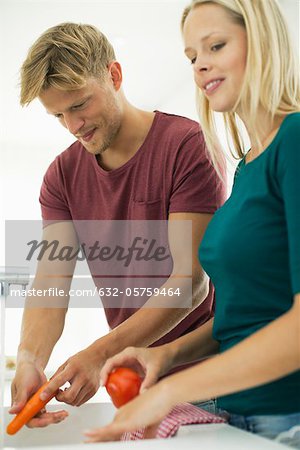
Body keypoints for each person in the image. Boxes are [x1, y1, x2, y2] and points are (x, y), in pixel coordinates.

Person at [84, 0, 300, 446]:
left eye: (215, 46)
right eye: (192, 57)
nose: (201, 66)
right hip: (238, 415)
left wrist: (174, 392)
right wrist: (164, 356)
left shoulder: (294, 143)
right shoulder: (247, 166)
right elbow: (240, 320)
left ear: (264, 42)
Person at [9, 23, 226, 427]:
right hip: (133, 389)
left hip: (208, 384)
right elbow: (51, 284)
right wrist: (28, 359)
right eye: (58, 115)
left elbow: (190, 283)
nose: (73, 126)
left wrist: (98, 353)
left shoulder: (185, 145)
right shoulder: (61, 177)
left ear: (114, 75)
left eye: (79, 105)